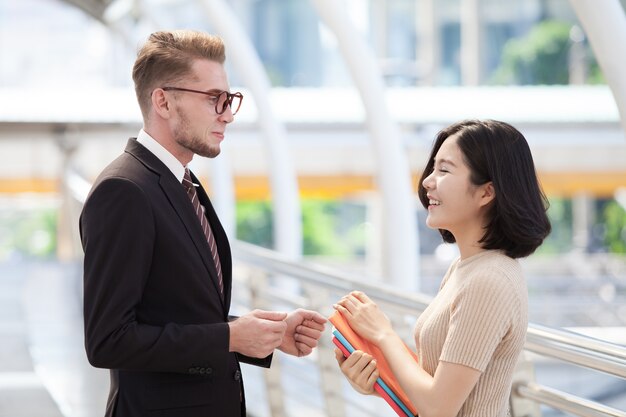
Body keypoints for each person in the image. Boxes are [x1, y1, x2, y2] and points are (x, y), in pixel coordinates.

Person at [79, 30, 326, 417]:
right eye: (215, 99)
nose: (227, 114)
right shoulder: (124, 190)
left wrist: (260, 335)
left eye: (230, 100)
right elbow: (109, 340)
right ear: (162, 100)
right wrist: (228, 337)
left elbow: (172, 315)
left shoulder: (182, 182)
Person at [333, 119, 551, 417]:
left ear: (487, 192)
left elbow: (439, 408)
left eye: (445, 170)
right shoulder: (465, 269)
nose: (427, 181)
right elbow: (433, 391)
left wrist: (384, 335)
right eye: (433, 168)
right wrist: (375, 379)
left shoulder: (489, 280)